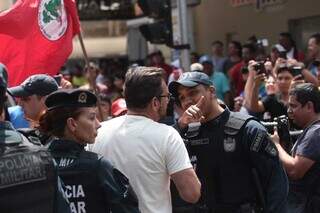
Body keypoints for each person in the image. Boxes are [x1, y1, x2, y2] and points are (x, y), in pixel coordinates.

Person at [169, 71, 288, 213]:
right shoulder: (186, 134)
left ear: (211, 91)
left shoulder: (247, 128)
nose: (187, 101)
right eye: (182, 97)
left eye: (192, 93)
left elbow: (276, 181)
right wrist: (180, 126)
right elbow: (160, 148)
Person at [91, 66, 201, 213]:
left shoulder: (97, 132)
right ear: (155, 103)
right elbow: (191, 194)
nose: (168, 101)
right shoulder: (167, 135)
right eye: (167, 97)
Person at [39, 89, 139, 213]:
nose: (98, 124)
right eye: (92, 118)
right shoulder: (98, 166)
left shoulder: (39, 165)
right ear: (72, 124)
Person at [0, 64, 70, 213]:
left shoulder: (65, 137)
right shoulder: (35, 143)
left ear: (44, 100)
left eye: (25, 98)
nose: (19, 103)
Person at [271, 83, 320, 213]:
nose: (289, 111)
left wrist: (275, 144)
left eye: (293, 106)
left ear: (309, 106)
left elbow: (294, 171)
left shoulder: (316, 132)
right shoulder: (312, 130)